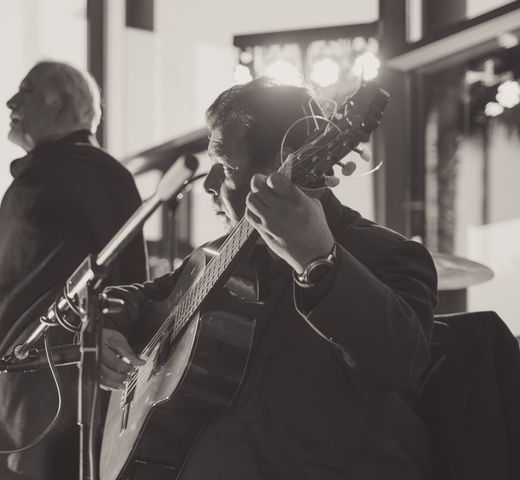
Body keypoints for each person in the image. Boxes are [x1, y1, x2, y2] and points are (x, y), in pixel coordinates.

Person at [100, 77, 438, 479]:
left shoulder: (389, 254)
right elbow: (135, 298)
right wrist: (105, 328)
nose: (208, 184)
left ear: (285, 163)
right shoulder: (211, 257)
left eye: (224, 167)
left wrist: (317, 259)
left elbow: (401, 361)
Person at [0, 61, 147, 480]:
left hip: (45, 403)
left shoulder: (99, 175)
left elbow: (125, 283)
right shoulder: (40, 177)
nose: (11, 102)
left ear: (64, 106)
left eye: (26, 92)